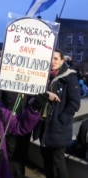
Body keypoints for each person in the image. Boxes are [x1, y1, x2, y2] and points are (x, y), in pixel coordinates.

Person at [33, 49, 81, 178]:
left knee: (58, 162)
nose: (52, 61)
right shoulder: (44, 77)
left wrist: (61, 119)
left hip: (58, 127)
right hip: (44, 126)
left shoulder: (69, 78)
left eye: (55, 59)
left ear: (62, 60)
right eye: (50, 58)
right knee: (47, 161)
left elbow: (75, 103)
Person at [0, 91, 31, 178]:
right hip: (9, 125)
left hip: (25, 125)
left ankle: (19, 173)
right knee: (10, 152)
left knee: (22, 152)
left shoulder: (31, 87)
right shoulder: (6, 85)